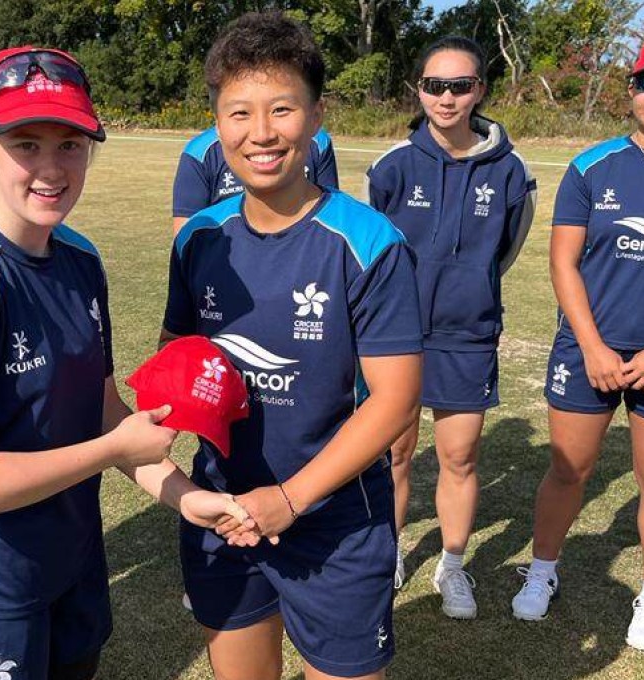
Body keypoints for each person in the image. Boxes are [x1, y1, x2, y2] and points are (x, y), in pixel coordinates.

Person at [0, 45, 250, 679]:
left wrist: (185, 497)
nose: (51, 169)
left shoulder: (80, 260)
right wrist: (114, 450)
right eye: (26, 144)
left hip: (73, 567)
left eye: (70, 145)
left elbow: (106, 413)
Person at [162, 13, 423, 679]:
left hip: (335, 523)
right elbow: (177, 362)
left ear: (315, 116)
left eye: (282, 109)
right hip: (224, 517)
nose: (260, 133)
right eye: (238, 113)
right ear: (216, 126)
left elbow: (394, 404)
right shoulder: (199, 239)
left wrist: (293, 496)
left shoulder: (368, 242)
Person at [365, 36, 536, 619]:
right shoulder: (392, 165)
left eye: (460, 85)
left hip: (467, 334)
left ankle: (453, 564)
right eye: (435, 85)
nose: (446, 97)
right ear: (419, 89)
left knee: (459, 456)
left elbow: (506, 248)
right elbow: (368, 249)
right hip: (396, 335)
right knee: (394, 453)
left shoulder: (511, 171)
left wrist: (468, 288)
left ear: (480, 91)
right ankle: (387, 554)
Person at [510, 40, 644, 650]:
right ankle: (543, 570)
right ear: (631, 90)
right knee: (570, 470)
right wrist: (592, 346)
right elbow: (563, 263)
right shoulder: (593, 167)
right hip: (588, 349)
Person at [172, 123, 339, 234]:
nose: (262, 137)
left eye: (280, 109)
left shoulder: (317, 141)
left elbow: (331, 216)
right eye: (241, 112)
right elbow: (186, 237)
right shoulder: (199, 152)